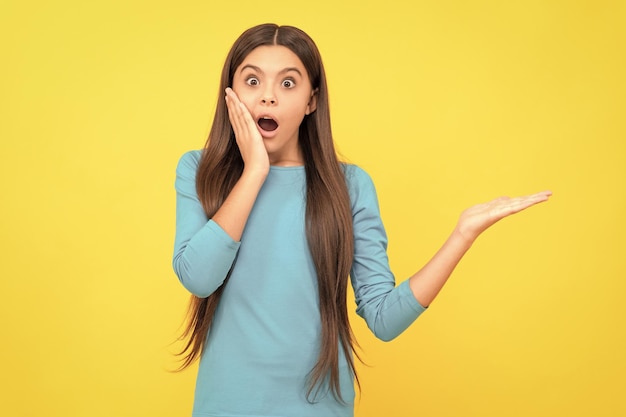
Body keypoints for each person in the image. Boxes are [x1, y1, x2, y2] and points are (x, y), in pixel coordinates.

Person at [172, 23, 551, 417]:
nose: (267, 97)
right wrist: (254, 172)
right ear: (230, 93)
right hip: (227, 406)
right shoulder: (200, 170)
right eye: (252, 81)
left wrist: (462, 235)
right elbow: (198, 277)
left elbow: (384, 318)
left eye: (288, 84)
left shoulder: (349, 186)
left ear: (311, 101)